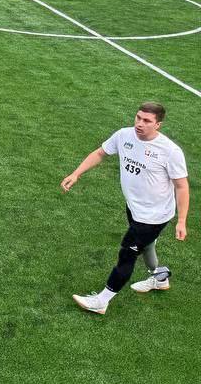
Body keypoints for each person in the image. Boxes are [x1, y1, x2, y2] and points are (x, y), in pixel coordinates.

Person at [64, 103, 189, 315]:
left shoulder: (170, 151)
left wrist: (182, 221)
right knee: (147, 246)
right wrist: (76, 174)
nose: (140, 123)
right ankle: (159, 278)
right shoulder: (124, 135)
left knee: (127, 254)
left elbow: (181, 186)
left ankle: (102, 301)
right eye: (138, 117)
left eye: (147, 121)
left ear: (158, 125)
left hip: (154, 216)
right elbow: (100, 153)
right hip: (134, 207)